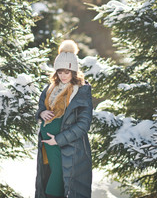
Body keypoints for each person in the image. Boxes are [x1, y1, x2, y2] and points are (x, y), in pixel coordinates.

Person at [35, 40, 93, 198]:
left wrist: (59, 139)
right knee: (51, 177)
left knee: (62, 183)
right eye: (60, 72)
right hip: (48, 145)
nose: (63, 76)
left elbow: (83, 124)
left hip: (69, 146)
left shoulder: (81, 91)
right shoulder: (50, 88)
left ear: (74, 71)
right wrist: (41, 113)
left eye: (67, 72)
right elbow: (41, 107)